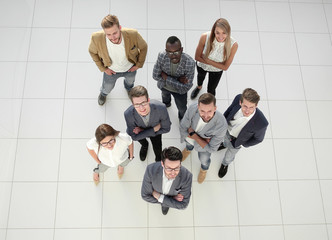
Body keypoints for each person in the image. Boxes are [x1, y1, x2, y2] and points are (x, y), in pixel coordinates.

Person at [89, 14, 148, 105]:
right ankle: (104, 94)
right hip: (111, 70)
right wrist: (104, 69)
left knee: (130, 82)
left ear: (120, 27)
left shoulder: (133, 34)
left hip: (130, 68)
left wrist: (138, 65)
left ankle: (129, 90)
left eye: (115, 33)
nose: (113, 37)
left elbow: (143, 47)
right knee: (107, 87)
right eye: (108, 34)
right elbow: (92, 52)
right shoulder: (96, 38)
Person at [218, 88, 269, 178]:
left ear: (256, 105)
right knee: (224, 141)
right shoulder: (238, 98)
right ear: (240, 102)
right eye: (245, 106)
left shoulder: (262, 122)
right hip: (226, 130)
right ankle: (224, 145)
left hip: (237, 141)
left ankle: (225, 164)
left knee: (230, 155)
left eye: (251, 107)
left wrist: (242, 144)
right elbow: (229, 111)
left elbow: (258, 139)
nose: (247, 111)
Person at [180, 93, 227, 183]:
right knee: (189, 145)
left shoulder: (221, 125)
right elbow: (183, 127)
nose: (205, 115)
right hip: (194, 141)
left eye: (209, 111)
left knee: (204, 160)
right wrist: (204, 140)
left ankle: (204, 169)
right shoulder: (192, 109)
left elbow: (212, 149)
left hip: (203, 149)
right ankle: (188, 150)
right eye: (202, 111)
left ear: (215, 108)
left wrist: (194, 136)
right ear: (198, 107)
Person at [191, 18, 238, 99]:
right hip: (202, 66)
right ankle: (199, 87)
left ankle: (209, 100)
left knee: (211, 89)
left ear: (228, 32)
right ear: (214, 31)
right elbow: (197, 57)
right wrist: (217, 64)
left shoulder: (233, 45)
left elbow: (225, 67)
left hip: (216, 71)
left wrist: (207, 60)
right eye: (217, 33)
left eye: (224, 33)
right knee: (200, 78)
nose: (220, 36)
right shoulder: (205, 37)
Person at [124, 85, 171, 162]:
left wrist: (142, 131)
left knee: (157, 148)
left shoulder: (161, 108)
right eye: (137, 105)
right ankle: (145, 145)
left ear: (148, 100)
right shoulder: (128, 114)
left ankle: (158, 159)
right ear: (133, 104)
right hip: (155, 130)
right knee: (142, 141)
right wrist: (153, 129)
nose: (142, 108)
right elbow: (133, 137)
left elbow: (166, 129)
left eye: (144, 103)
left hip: (154, 134)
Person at [152, 36, 195, 120]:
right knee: (165, 96)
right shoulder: (162, 56)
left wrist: (166, 78)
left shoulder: (190, 63)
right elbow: (155, 75)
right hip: (164, 86)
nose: (173, 56)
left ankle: (182, 119)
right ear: (166, 51)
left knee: (182, 108)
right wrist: (178, 80)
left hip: (179, 92)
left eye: (176, 52)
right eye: (170, 53)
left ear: (181, 50)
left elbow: (186, 86)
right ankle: (166, 104)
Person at [141, 146, 192, 215]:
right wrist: (171, 199)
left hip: (158, 197)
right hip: (170, 199)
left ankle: (165, 205)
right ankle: (165, 205)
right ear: (162, 164)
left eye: (177, 168)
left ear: (180, 164)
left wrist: (160, 197)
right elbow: (145, 196)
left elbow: (183, 205)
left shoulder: (187, 176)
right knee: (165, 204)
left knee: (165, 205)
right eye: (169, 168)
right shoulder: (151, 170)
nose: (173, 173)